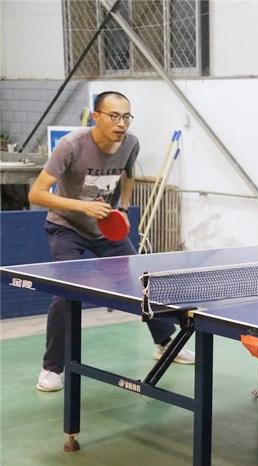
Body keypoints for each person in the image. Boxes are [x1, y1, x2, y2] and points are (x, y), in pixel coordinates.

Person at [28, 91, 194, 393]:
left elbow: (128, 175)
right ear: (96, 117)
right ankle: (51, 368)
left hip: (104, 227)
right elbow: (36, 194)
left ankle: (164, 343)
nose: (121, 123)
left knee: (143, 281)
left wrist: (123, 209)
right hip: (66, 227)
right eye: (114, 116)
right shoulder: (71, 146)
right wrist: (83, 207)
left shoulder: (130, 143)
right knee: (65, 293)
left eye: (126, 116)